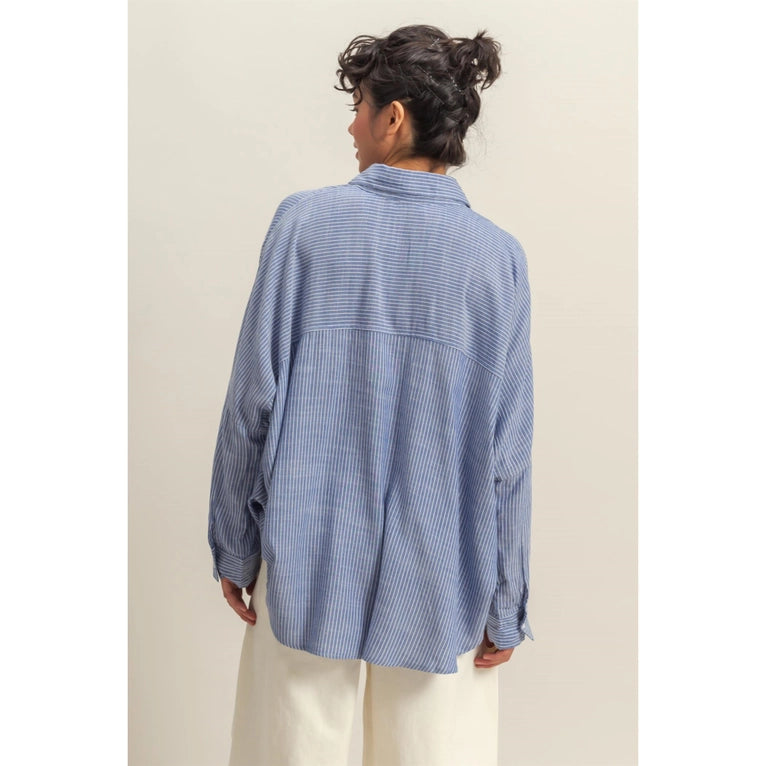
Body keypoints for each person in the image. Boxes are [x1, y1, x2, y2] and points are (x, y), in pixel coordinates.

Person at [208, 23, 535, 766]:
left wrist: (235, 544)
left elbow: (252, 402)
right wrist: (505, 599)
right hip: (443, 570)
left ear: (393, 117)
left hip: (305, 556)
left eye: (358, 106)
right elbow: (507, 454)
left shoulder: (303, 226)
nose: (352, 127)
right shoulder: (498, 260)